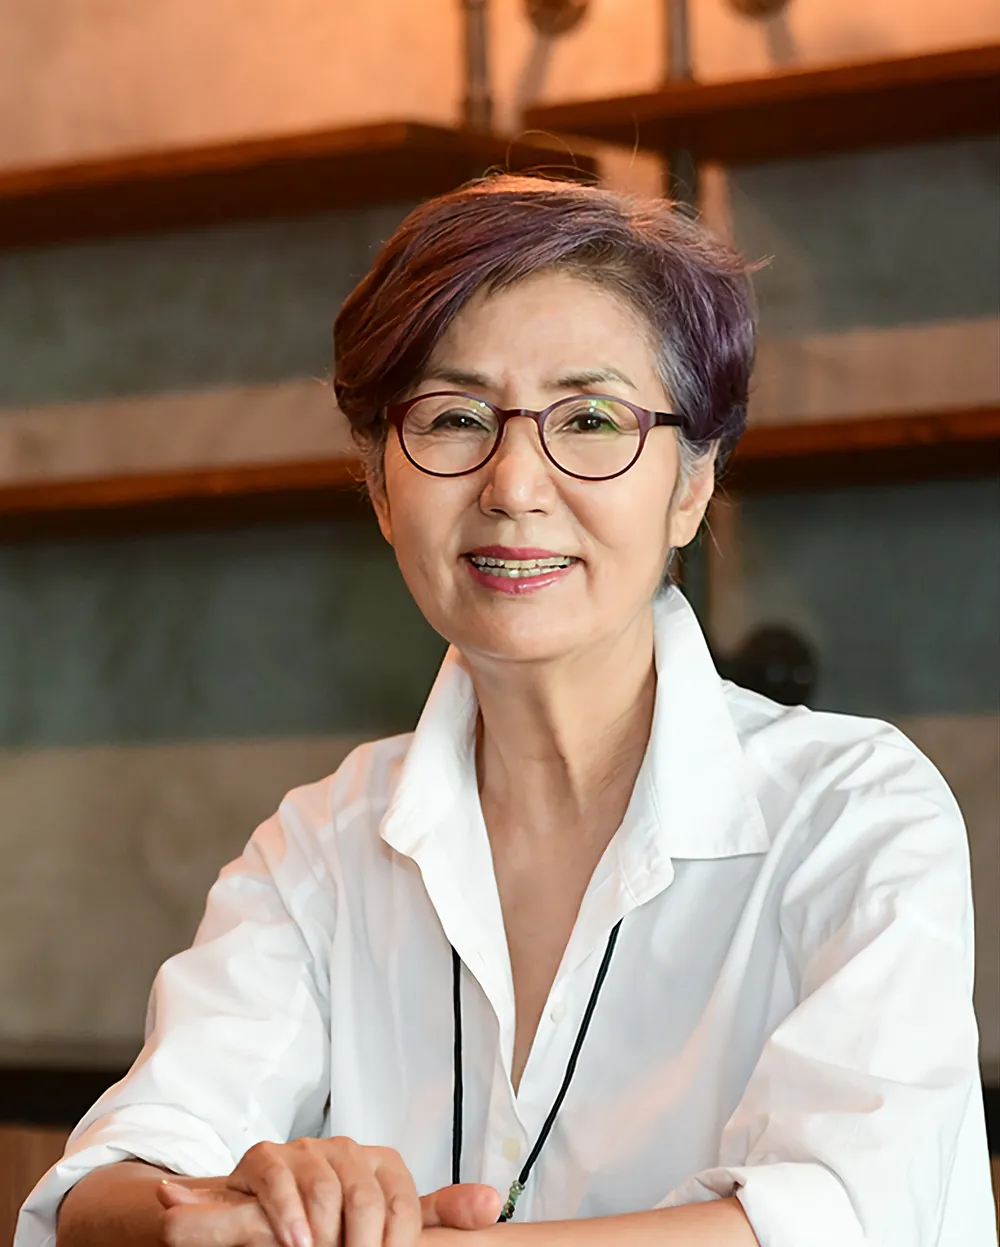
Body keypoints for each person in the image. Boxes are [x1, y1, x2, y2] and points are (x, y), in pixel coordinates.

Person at [19, 175, 995, 1247]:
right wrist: (235, 1210)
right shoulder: (324, 843)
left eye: (591, 418)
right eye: (454, 418)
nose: (514, 485)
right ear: (381, 487)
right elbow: (101, 1188)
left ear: (691, 485)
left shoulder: (853, 813)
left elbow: (843, 1215)